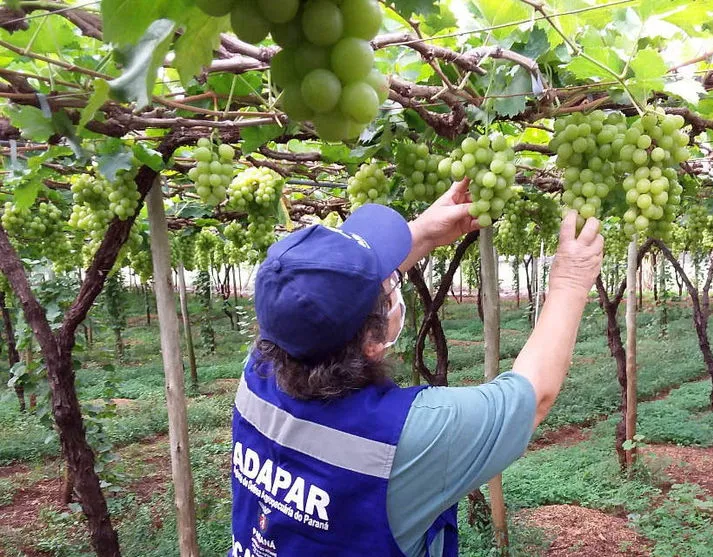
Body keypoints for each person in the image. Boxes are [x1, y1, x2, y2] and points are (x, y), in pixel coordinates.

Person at [229, 178, 604, 557]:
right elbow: (534, 393)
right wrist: (570, 281)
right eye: (389, 286)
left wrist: (422, 233)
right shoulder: (410, 437)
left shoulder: (258, 371)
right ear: (373, 343)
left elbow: (318, 303)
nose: (394, 283)